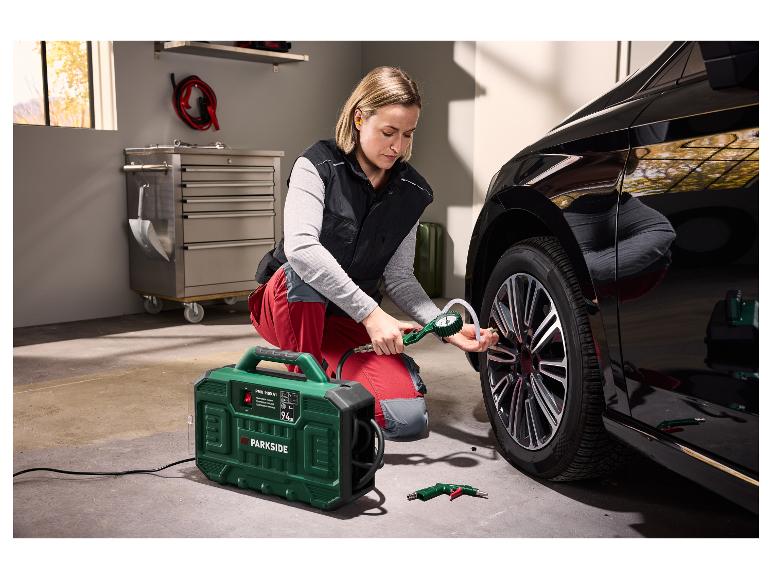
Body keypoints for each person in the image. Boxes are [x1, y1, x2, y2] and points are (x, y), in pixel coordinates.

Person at [248, 66, 498, 440]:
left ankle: (335, 370)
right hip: (288, 304)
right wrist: (372, 314)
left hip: (347, 320)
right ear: (359, 118)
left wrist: (443, 326)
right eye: (388, 132)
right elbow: (300, 248)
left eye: (408, 134)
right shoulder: (316, 166)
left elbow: (400, 277)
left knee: (406, 418)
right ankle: (303, 381)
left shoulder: (412, 191)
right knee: (307, 267)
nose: (398, 146)